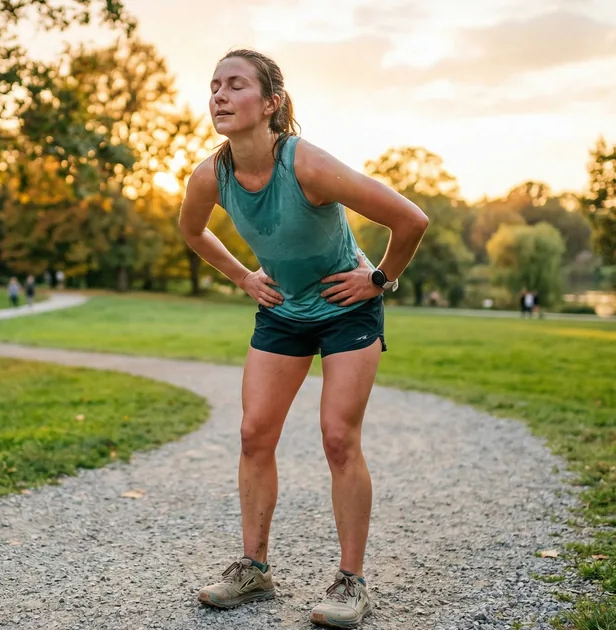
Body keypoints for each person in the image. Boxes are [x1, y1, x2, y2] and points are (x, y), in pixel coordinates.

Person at [178, 49, 429, 628]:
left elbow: (410, 219)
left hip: (346, 309)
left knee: (338, 437)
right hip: (283, 311)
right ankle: (254, 569)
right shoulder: (209, 174)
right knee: (253, 433)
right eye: (213, 85)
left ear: (271, 103)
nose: (218, 94)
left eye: (235, 85)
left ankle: (351, 583)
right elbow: (192, 231)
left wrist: (379, 279)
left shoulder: (306, 164)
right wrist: (244, 276)